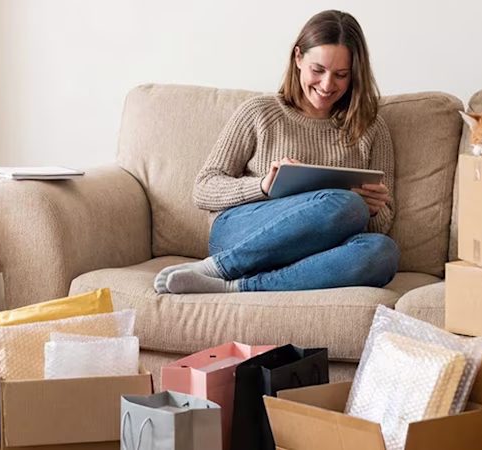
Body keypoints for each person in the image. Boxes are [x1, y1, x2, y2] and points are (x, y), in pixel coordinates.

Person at [154, 9, 399, 294]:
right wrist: (263, 186)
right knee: (347, 203)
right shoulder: (259, 112)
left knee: (383, 252)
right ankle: (218, 267)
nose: (327, 85)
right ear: (298, 58)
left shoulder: (370, 127)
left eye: (341, 75)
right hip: (243, 234)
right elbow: (204, 188)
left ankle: (236, 287)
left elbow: (380, 224)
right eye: (317, 70)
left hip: (314, 253)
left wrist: (374, 209)